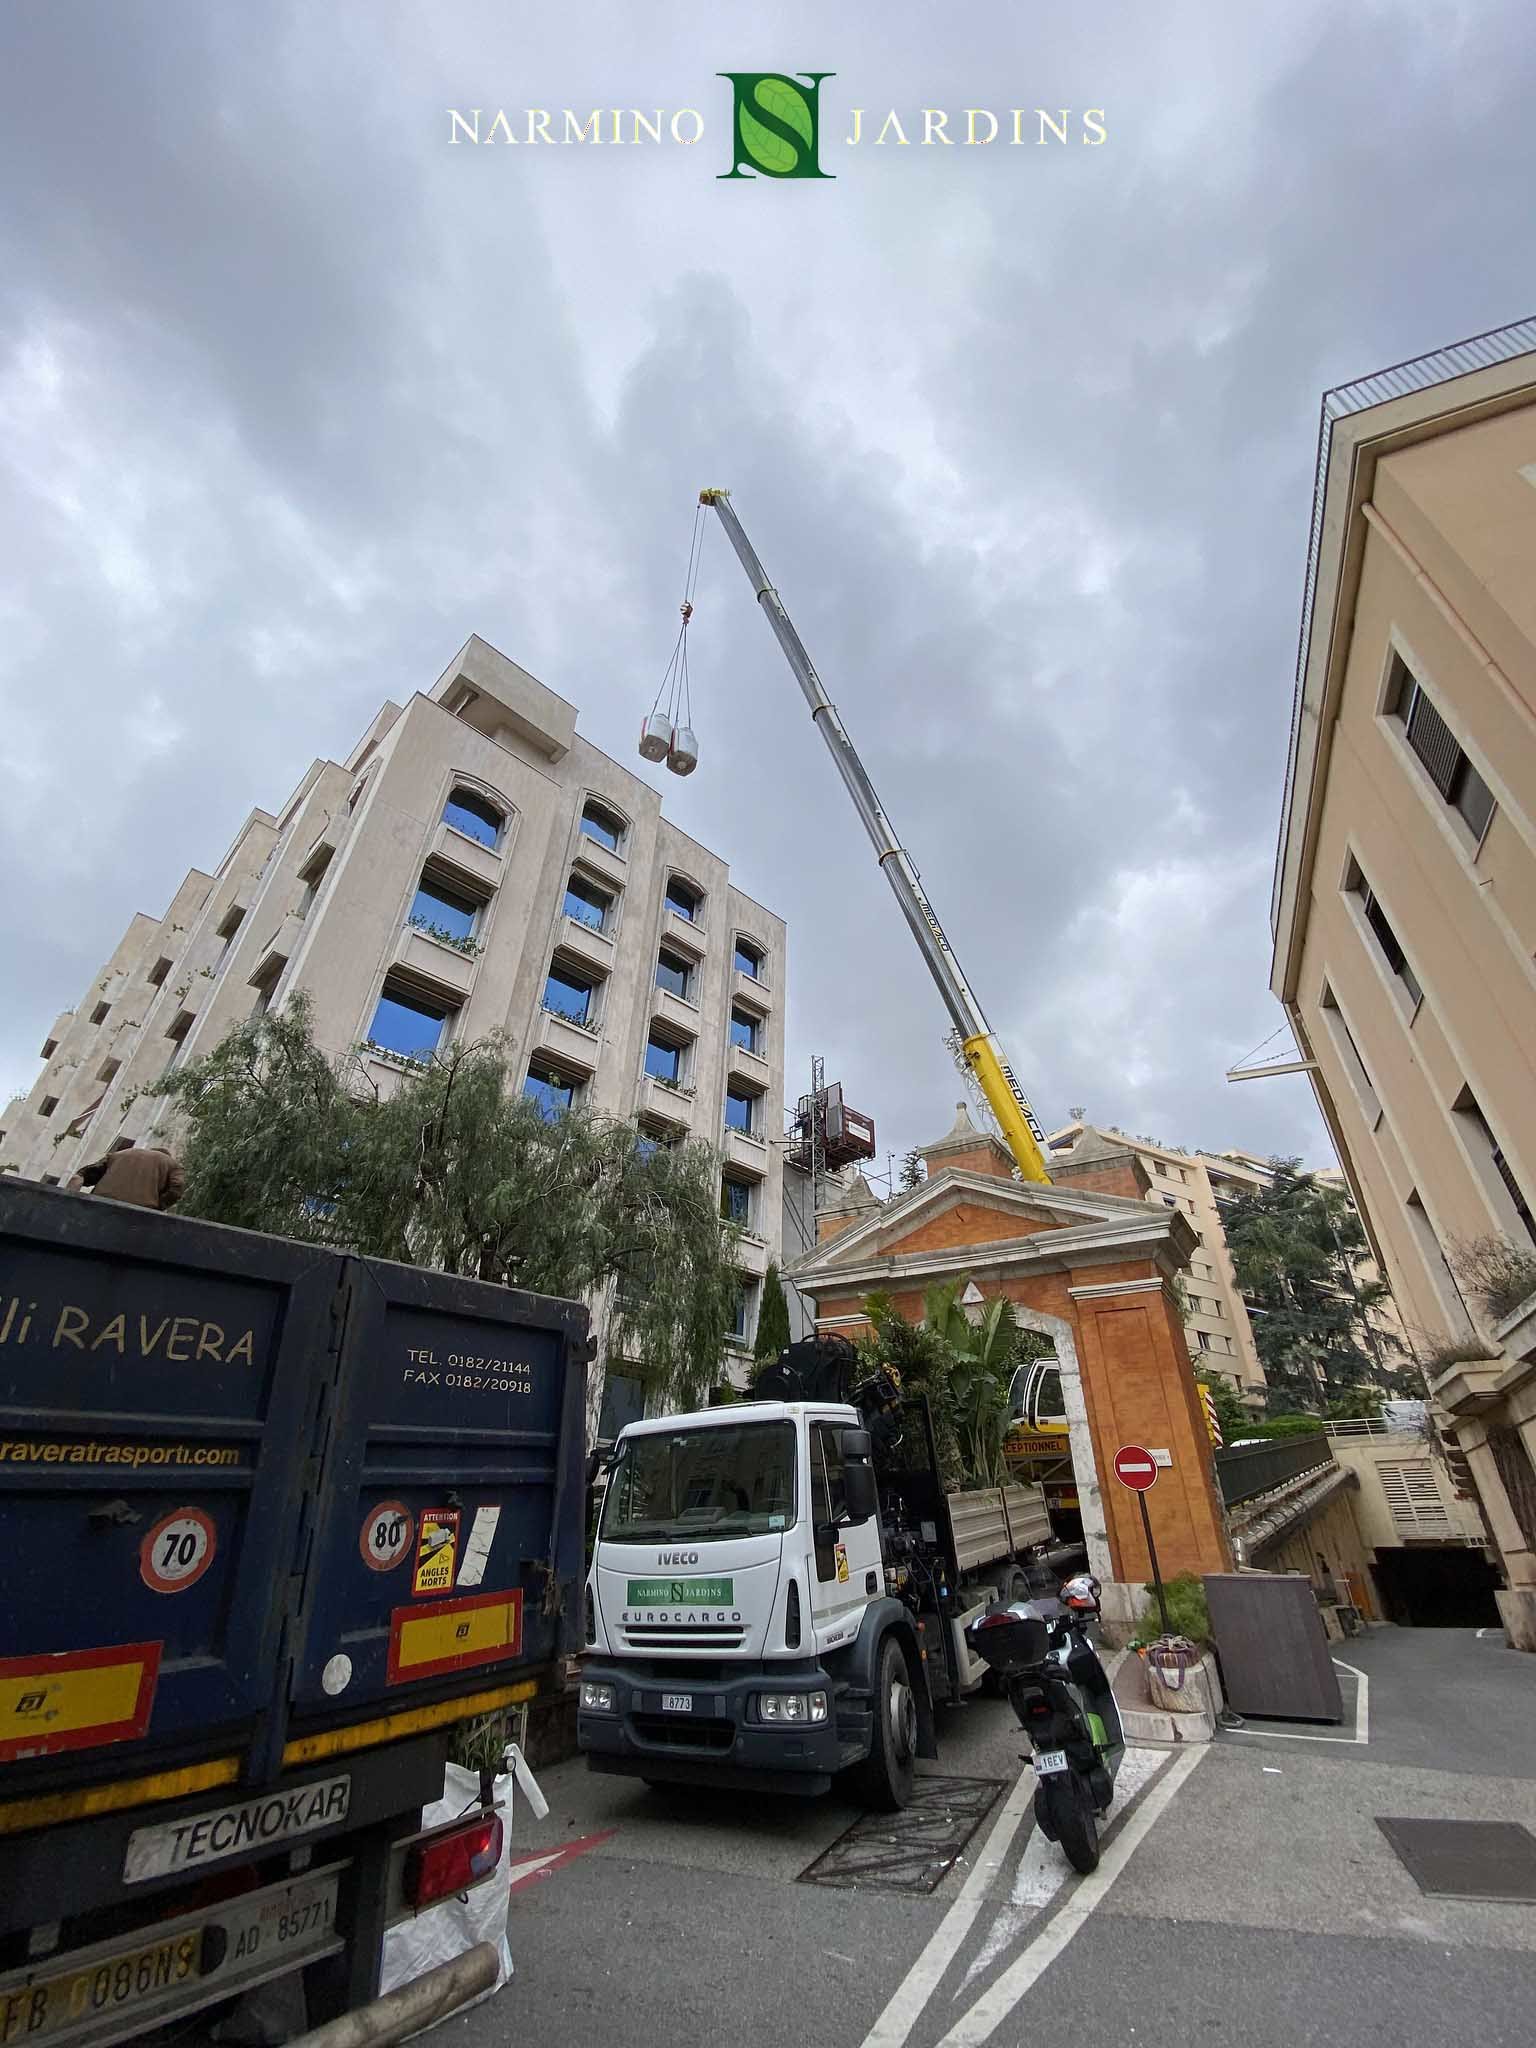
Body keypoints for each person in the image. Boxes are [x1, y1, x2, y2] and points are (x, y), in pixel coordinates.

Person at [79, 1142, 185, 1212]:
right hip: (138, 1211)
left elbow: (89, 1173)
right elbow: (177, 1187)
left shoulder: (120, 1154)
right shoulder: (172, 1164)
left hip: (100, 1202)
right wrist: (160, 1206)